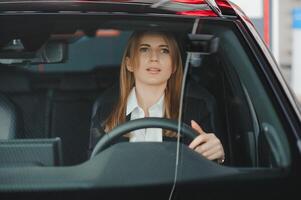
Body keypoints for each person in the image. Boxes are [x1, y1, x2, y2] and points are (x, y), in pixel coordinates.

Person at [89, 31, 225, 163]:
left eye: (164, 50)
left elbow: (209, 172)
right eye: (144, 49)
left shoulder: (197, 110)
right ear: (129, 63)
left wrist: (218, 156)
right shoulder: (106, 110)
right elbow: (95, 170)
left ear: (174, 65)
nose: (154, 57)